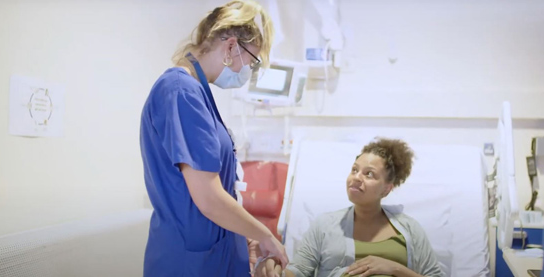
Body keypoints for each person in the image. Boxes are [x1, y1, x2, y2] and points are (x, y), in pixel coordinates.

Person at [139, 1, 288, 276]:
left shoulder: (196, 93)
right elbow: (208, 197)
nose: (248, 72)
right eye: (252, 62)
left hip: (211, 254)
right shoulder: (180, 92)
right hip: (189, 262)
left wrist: (245, 234)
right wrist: (265, 235)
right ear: (231, 47)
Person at [255, 138, 443, 277]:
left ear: (386, 189)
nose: (356, 177)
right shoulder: (325, 226)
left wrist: (393, 268)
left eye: (369, 174)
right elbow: (298, 271)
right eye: (354, 170)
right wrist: (273, 269)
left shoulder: (410, 230)